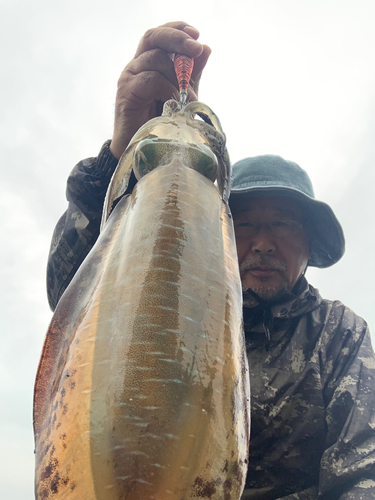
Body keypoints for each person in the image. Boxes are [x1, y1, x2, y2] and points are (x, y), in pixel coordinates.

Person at [46, 22, 375, 500]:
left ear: (308, 243)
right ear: (217, 230)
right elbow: (69, 299)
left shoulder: (339, 335)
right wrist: (123, 152)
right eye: (245, 225)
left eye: (282, 224)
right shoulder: (162, 295)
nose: (262, 243)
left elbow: (362, 474)